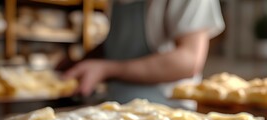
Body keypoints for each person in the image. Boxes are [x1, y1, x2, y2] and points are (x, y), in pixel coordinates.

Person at [63, 0, 225, 108]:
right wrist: (78, 63)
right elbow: (119, 44)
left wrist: (106, 69)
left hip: (166, 117)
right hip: (117, 111)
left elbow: (189, 60)